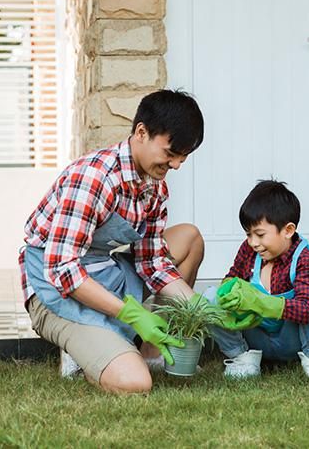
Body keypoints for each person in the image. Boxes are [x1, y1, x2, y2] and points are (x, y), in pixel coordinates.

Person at [19, 89, 206, 394]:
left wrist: (200, 309)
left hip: (103, 272)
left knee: (189, 239)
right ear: (141, 133)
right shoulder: (94, 178)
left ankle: (150, 352)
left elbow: (153, 263)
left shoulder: (154, 186)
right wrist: (133, 314)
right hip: (54, 289)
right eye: (170, 154)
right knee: (135, 383)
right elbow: (63, 270)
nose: (175, 166)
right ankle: (85, 351)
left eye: (181, 158)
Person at [205, 180, 309, 380]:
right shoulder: (249, 250)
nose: (253, 242)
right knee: (211, 297)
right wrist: (231, 293)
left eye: (260, 235)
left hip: (291, 340)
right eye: (249, 234)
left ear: (288, 231)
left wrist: (265, 303)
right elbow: (231, 276)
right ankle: (242, 358)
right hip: (256, 335)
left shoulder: (303, 258)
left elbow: (308, 310)